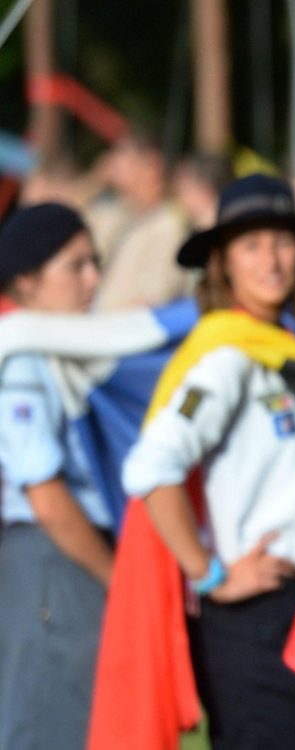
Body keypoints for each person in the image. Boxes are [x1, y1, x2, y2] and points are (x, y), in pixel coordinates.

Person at [120, 174, 295, 749]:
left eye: (284, 241)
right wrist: (211, 574)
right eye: (251, 245)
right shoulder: (225, 358)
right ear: (222, 264)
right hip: (254, 614)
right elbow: (149, 468)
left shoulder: (284, 353)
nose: (271, 260)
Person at [0, 203, 110, 749]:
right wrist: (114, 576)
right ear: (27, 279)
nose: (93, 279)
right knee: (50, 724)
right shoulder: (22, 359)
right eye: (76, 265)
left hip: (62, 555)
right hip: (55, 556)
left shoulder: (59, 350)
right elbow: (45, 495)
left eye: (96, 263)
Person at [87, 132, 195, 311]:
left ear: (152, 163)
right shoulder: (114, 213)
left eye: (121, 153)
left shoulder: (170, 225)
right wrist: (92, 182)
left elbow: (155, 299)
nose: (110, 162)